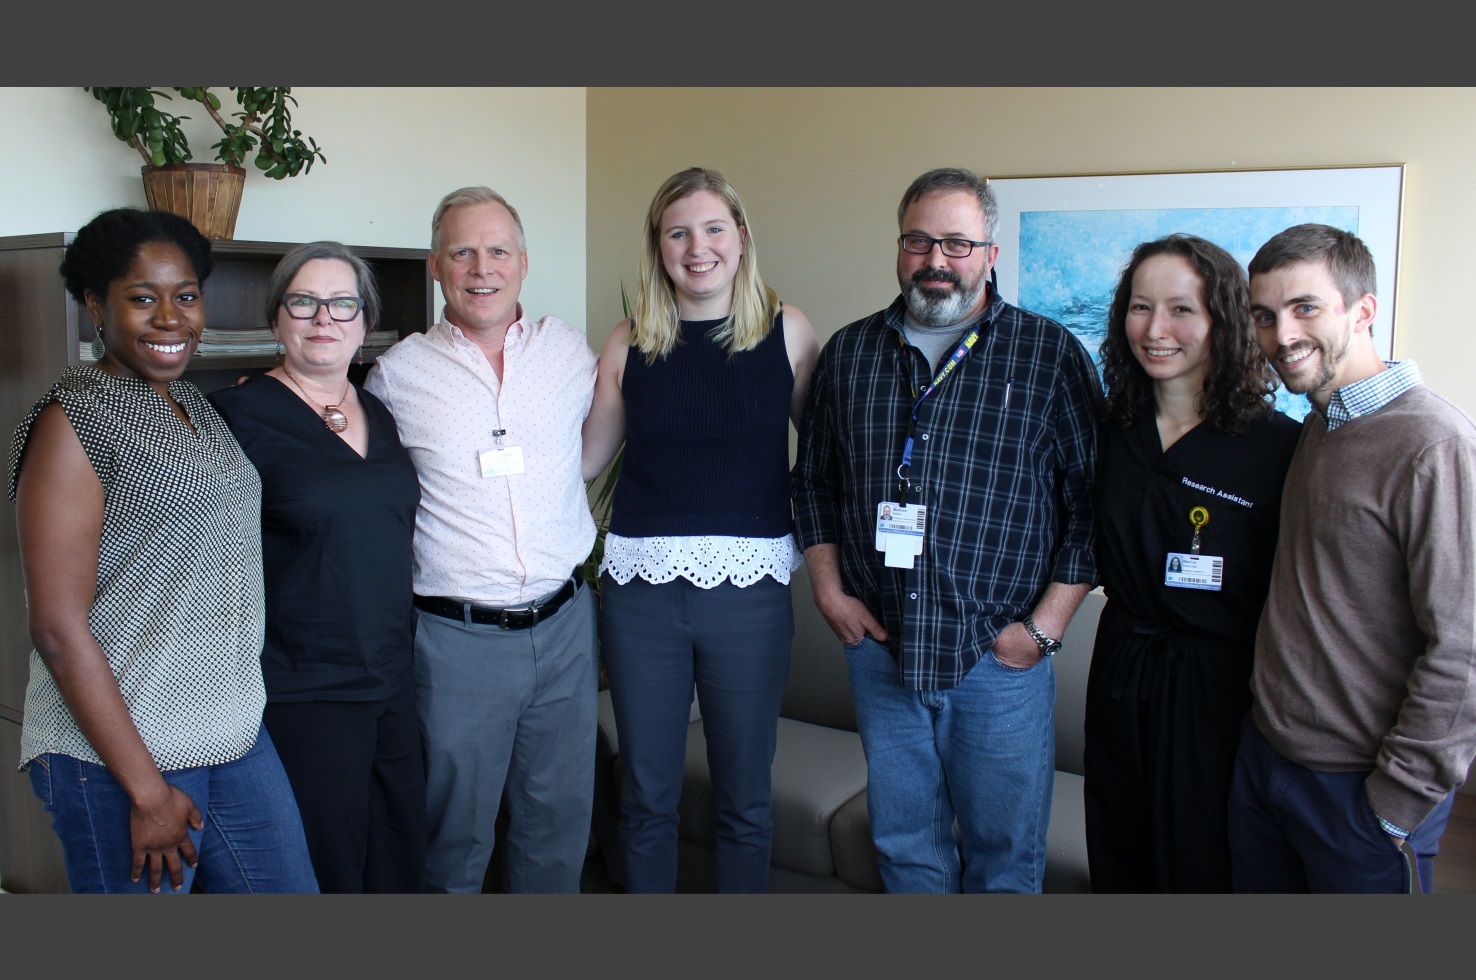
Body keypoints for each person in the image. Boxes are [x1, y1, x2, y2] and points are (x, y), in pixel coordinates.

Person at [792, 167, 1101, 893]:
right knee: (905, 849)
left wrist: (1042, 631)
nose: (937, 260)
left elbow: (1090, 507)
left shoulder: (1049, 357)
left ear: (990, 254)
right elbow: (814, 484)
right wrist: (831, 595)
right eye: (919, 240)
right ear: (899, 247)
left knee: (1004, 858)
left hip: (997, 660)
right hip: (881, 649)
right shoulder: (851, 353)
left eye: (958, 243)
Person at [7, 207, 317, 894]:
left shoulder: (192, 405)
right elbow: (57, 629)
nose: (171, 318)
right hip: (122, 757)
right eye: (143, 298)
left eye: (186, 295)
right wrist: (146, 792)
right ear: (95, 304)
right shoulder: (75, 419)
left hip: (232, 735)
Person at [582, 166, 819, 892]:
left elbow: (825, 460)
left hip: (749, 597)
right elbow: (586, 461)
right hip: (638, 597)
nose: (697, 247)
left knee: (745, 799)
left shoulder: (790, 330)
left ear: (742, 238)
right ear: (658, 247)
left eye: (714, 228)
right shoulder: (630, 340)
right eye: (677, 232)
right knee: (646, 796)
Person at [1228, 223, 1476, 893]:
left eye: (1305, 307)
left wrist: (1397, 804)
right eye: (1265, 315)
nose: (1282, 335)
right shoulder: (1321, 425)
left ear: (1363, 311)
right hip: (1268, 761)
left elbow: (1464, 647)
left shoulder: (1434, 445)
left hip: (1360, 790)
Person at [364, 186, 599, 893]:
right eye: (462, 251)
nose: (481, 267)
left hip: (566, 629)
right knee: (453, 836)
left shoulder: (569, 353)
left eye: (497, 250)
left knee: (557, 828)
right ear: (436, 266)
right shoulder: (395, 377)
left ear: (523, 262)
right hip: (457, 642)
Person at [1083, 234, 1301, 893]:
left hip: (1220, 689)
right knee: (1119, 852)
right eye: (1140, 307)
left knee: (1203, 864)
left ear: (1223, 320)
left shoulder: (1279, 448)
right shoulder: (1107, 432)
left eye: (1181, 310)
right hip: (1120, 669)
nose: (1155, 330)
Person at [207, 242, 426, 893]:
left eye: (341, 303)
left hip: (392, 679)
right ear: (277, 320)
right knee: (325, 871)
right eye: (303, 302)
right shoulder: (236, 417)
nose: (322, 318)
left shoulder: (379, 412)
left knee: (397, 861)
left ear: (364, 322)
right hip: (306, 691)